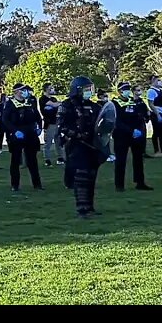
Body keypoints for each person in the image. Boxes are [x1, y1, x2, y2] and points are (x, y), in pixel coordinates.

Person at [57, 77, 103, 218]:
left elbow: (102, 122)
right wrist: (77, 134)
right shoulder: (67, 105)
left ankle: (90, 206)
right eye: (86, 89)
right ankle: (81, 208)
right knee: (81, 177)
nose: (89, 92)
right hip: (76, 145)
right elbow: (62, 125)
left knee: (91, 176)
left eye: (90, 89)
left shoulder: (94, 106)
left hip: (92, 145)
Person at [1, 84, 44, 191]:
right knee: (15, 160)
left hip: (30, 134)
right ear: (16, 92)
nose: (25, 92)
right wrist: (14, 131)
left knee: (32, 160)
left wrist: (39, 128)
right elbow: (5, 120)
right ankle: (15, 185)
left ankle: (37, 184)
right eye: (22, 90)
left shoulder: (30, 102)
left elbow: (38, 117)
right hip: (17, 134)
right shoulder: (10, 104)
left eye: (25, 90)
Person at [110, 82, 151, 192]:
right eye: (125, 89)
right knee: (121, 160)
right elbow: (117, 121)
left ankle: (140, 182)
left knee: (138, 158)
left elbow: (139, 116)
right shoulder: (114, 103)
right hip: (121, 135)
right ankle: (119, 185)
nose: (127, 91)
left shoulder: (133, 101)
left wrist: (139, 129)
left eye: (128, 88)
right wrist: (130, 131)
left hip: (136, 135)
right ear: (119, 91)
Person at [145, 76, 162, 156]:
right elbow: (151, 104)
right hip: (157, 113)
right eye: (158, 80)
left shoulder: (160, 90)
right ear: (153, 81)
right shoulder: (151, 91)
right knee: (156, 132)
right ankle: (157, 150)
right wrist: (157, 114)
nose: (160, 82)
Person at [39, 84, 62, 166]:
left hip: (56, 122)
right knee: (48, 142)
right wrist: (59, 103)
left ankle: (60, 158)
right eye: (50, 88)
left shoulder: (53, 98)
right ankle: (47, 159)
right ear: (46, 89)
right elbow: (55, 105)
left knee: (58, 141)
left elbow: (58, 107)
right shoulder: (43, 99)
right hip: (49, 123)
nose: (52, 89)